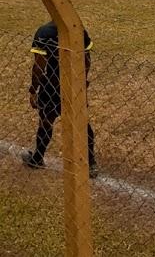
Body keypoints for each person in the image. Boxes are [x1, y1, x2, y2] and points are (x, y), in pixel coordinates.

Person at [21, 21, 98, 178]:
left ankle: (37, 157)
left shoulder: (44, 33)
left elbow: (39, 66)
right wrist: (82, 81)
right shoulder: (78, 30)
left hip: (51, 86)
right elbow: (87, 60)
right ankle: (91, 164)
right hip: (74, 85)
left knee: (46, 122)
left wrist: (33, 89)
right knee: (82, 124)